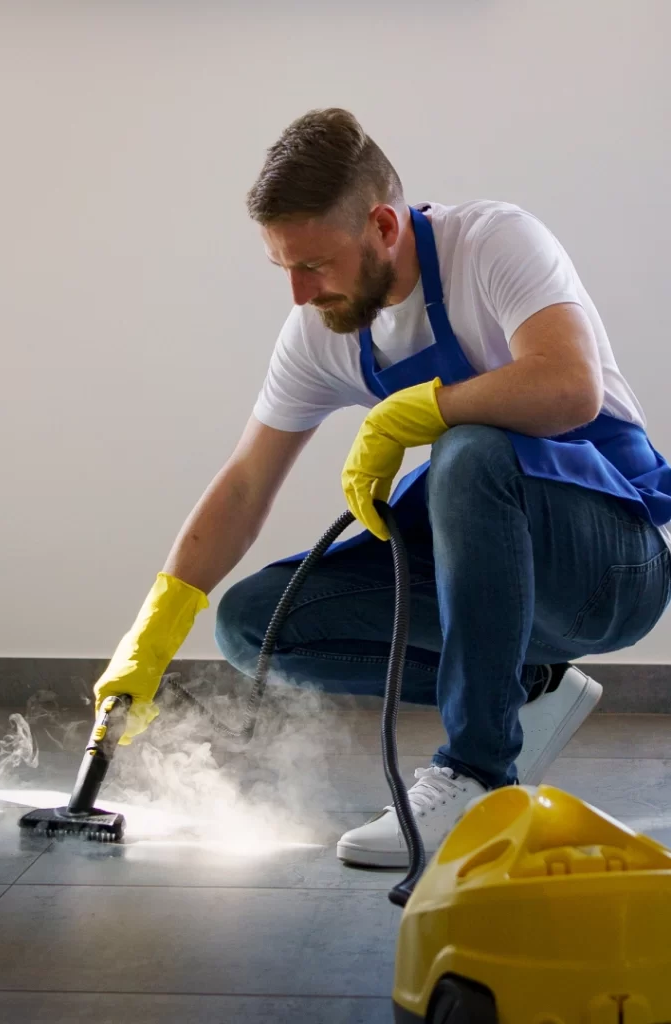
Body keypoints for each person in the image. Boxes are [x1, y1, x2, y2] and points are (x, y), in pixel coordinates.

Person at [92, 107, 671, 867]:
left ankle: (478, 773)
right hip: (500, 582)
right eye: (285, 269)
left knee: (468, 450)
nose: (300, 293)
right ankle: (525, 688)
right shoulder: (323, 332)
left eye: (316, 265)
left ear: (385, 227)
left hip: (610, 566)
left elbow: (569, 387)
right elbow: (244, 484)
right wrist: (153, 631)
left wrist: (415, 409)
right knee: (253, 622)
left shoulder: (492, 243)